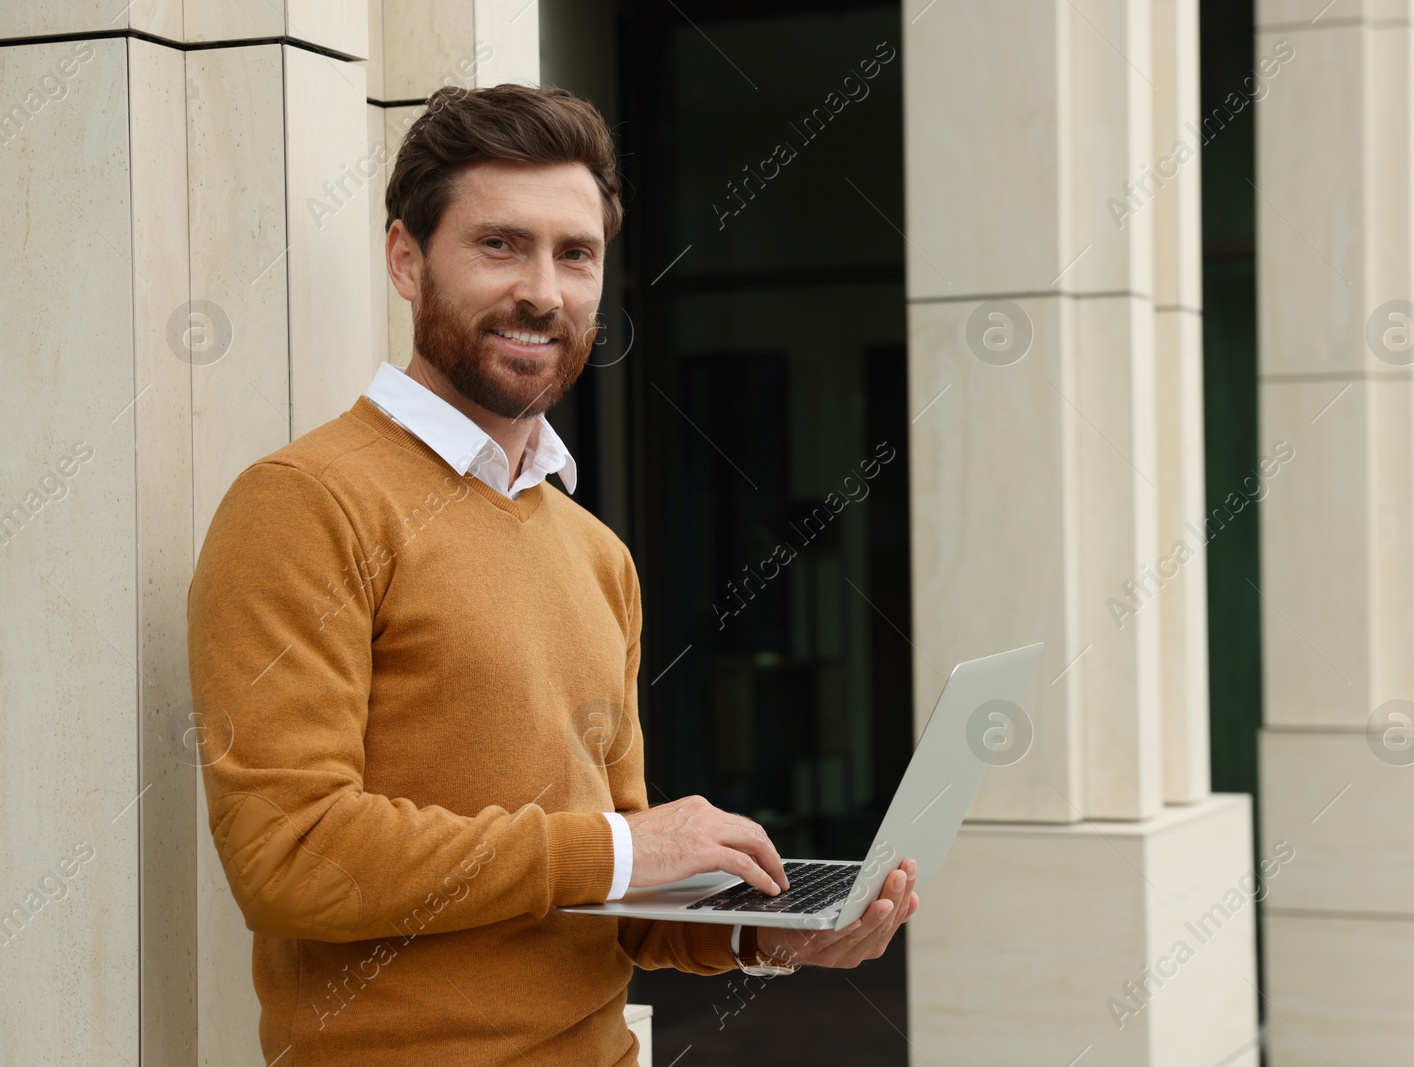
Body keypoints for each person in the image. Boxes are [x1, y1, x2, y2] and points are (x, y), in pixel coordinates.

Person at [185, 83, 917, 1066]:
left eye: (575, 254)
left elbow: (608, 895)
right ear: (406, 259)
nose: (543, 289)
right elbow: (292, 854)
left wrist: (766, 932)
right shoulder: (301, 503)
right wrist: (623, 847)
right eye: (499, 244)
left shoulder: (596, 554)